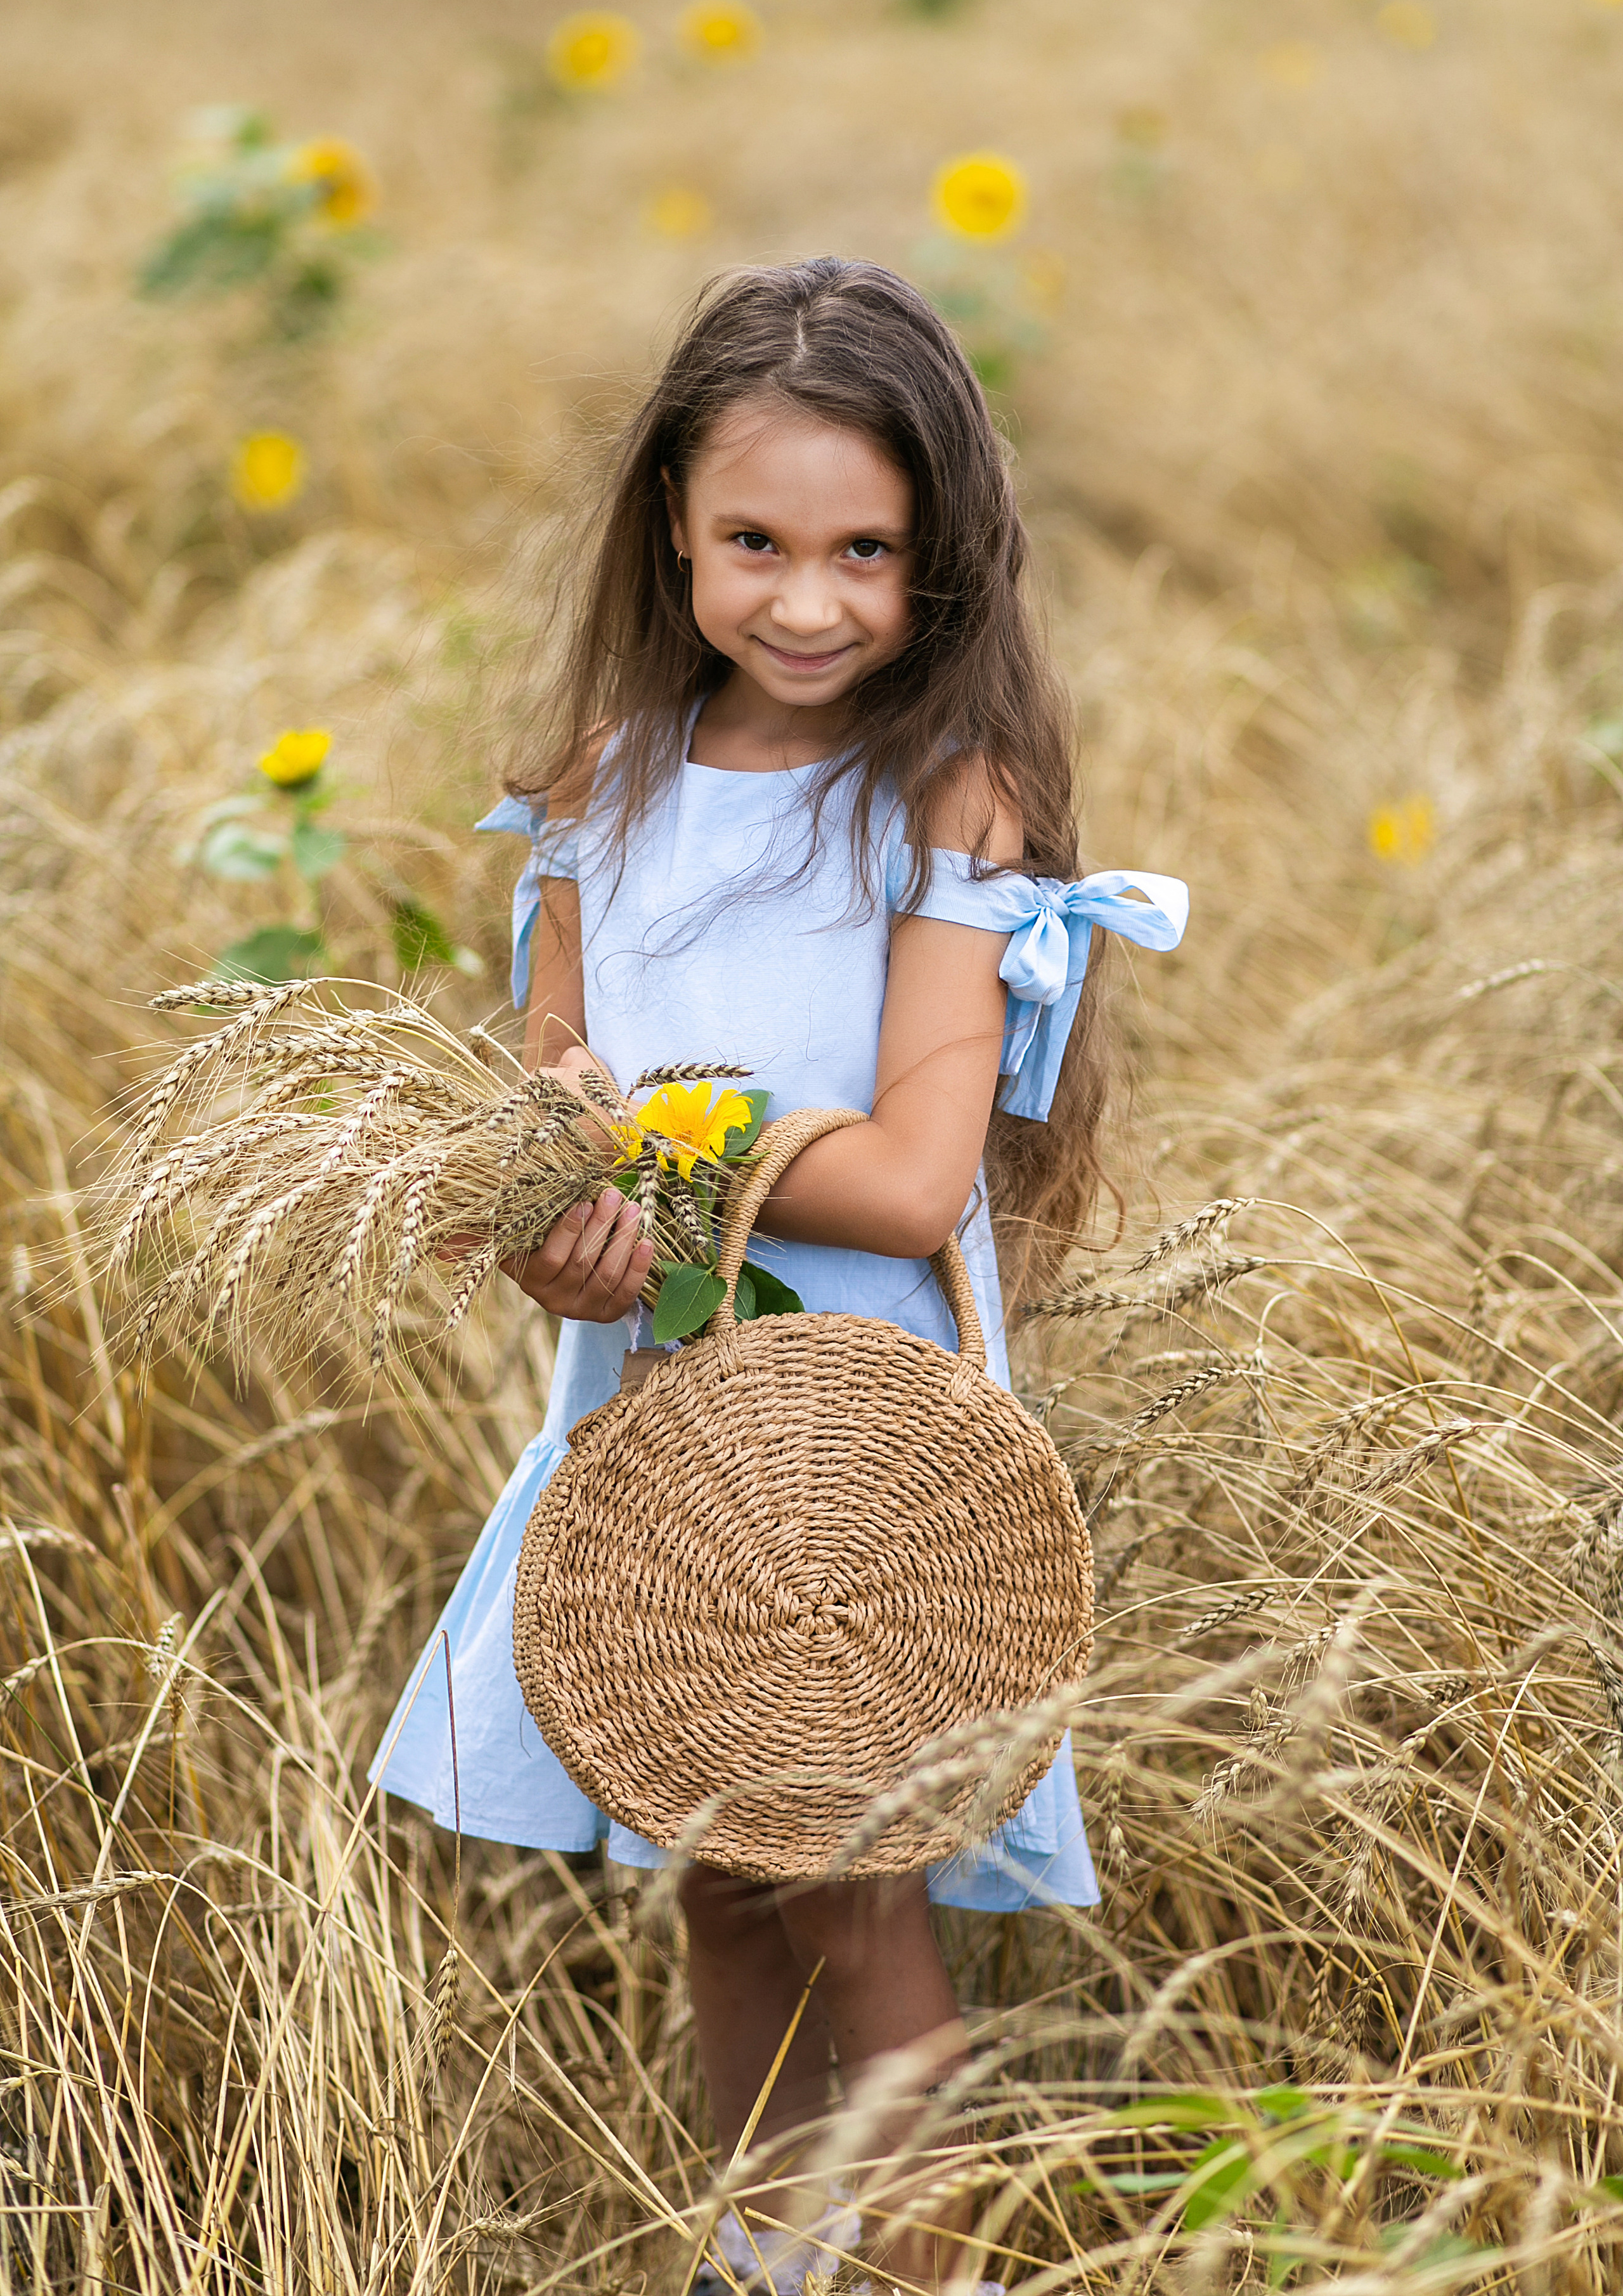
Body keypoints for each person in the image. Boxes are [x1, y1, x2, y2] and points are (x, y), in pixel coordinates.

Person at [371, 256, 1186, 2292]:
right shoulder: (601, 792)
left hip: (862, 1433)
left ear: (943, 555)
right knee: (720, 1881)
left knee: (851, 1884)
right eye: (757, 542)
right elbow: (553, 1158)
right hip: (656, 1422)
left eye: (864, 552)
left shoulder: (943, 798)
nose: (807, 601)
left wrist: (655, 1138)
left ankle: (921, 2271)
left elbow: (911, 1184)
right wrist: (570, 1244)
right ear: (672, 519)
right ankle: (765, 2258)